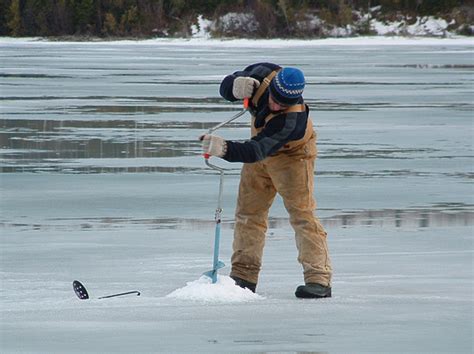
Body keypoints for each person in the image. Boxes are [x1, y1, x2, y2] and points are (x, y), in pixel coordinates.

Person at [200, 62, 332, 298]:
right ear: (272, 86)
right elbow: (225, 87)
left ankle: (318, 279)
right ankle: (243, 277)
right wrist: (234, 86)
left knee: (303, 215)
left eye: (284, 104)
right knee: (248, 214)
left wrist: (225, 149)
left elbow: (257, 151)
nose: (276, 105)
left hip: (292, 159)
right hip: (257, 147)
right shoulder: (262, 73)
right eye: (275, 99)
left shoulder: (292, 121)